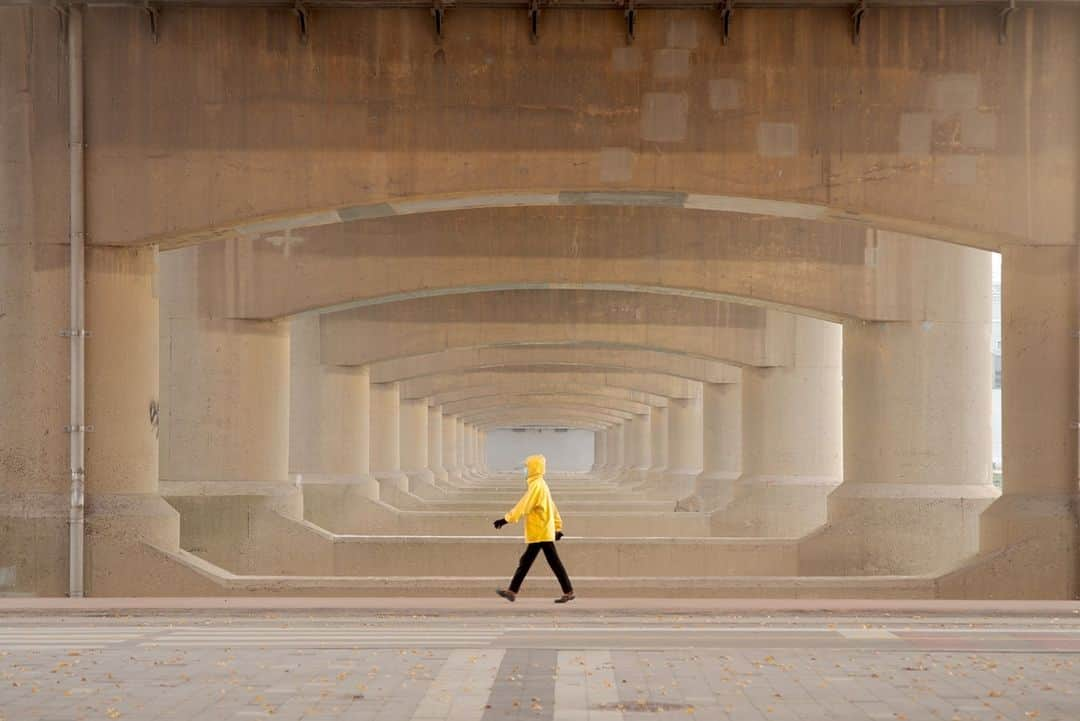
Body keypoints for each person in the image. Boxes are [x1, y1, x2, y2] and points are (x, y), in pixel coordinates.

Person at [493, 454, 575, 603]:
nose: (525, 470)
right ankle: (512, 591)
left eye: (526, 467)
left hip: (540, 531)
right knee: (531, 561)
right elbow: (552, 506)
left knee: (539, 562)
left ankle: (513, 591)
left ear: (533, 468)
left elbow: (524, 504)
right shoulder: (541, 484)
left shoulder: (536, 485)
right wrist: (557, 526)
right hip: (543, 530)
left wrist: (506, 519)